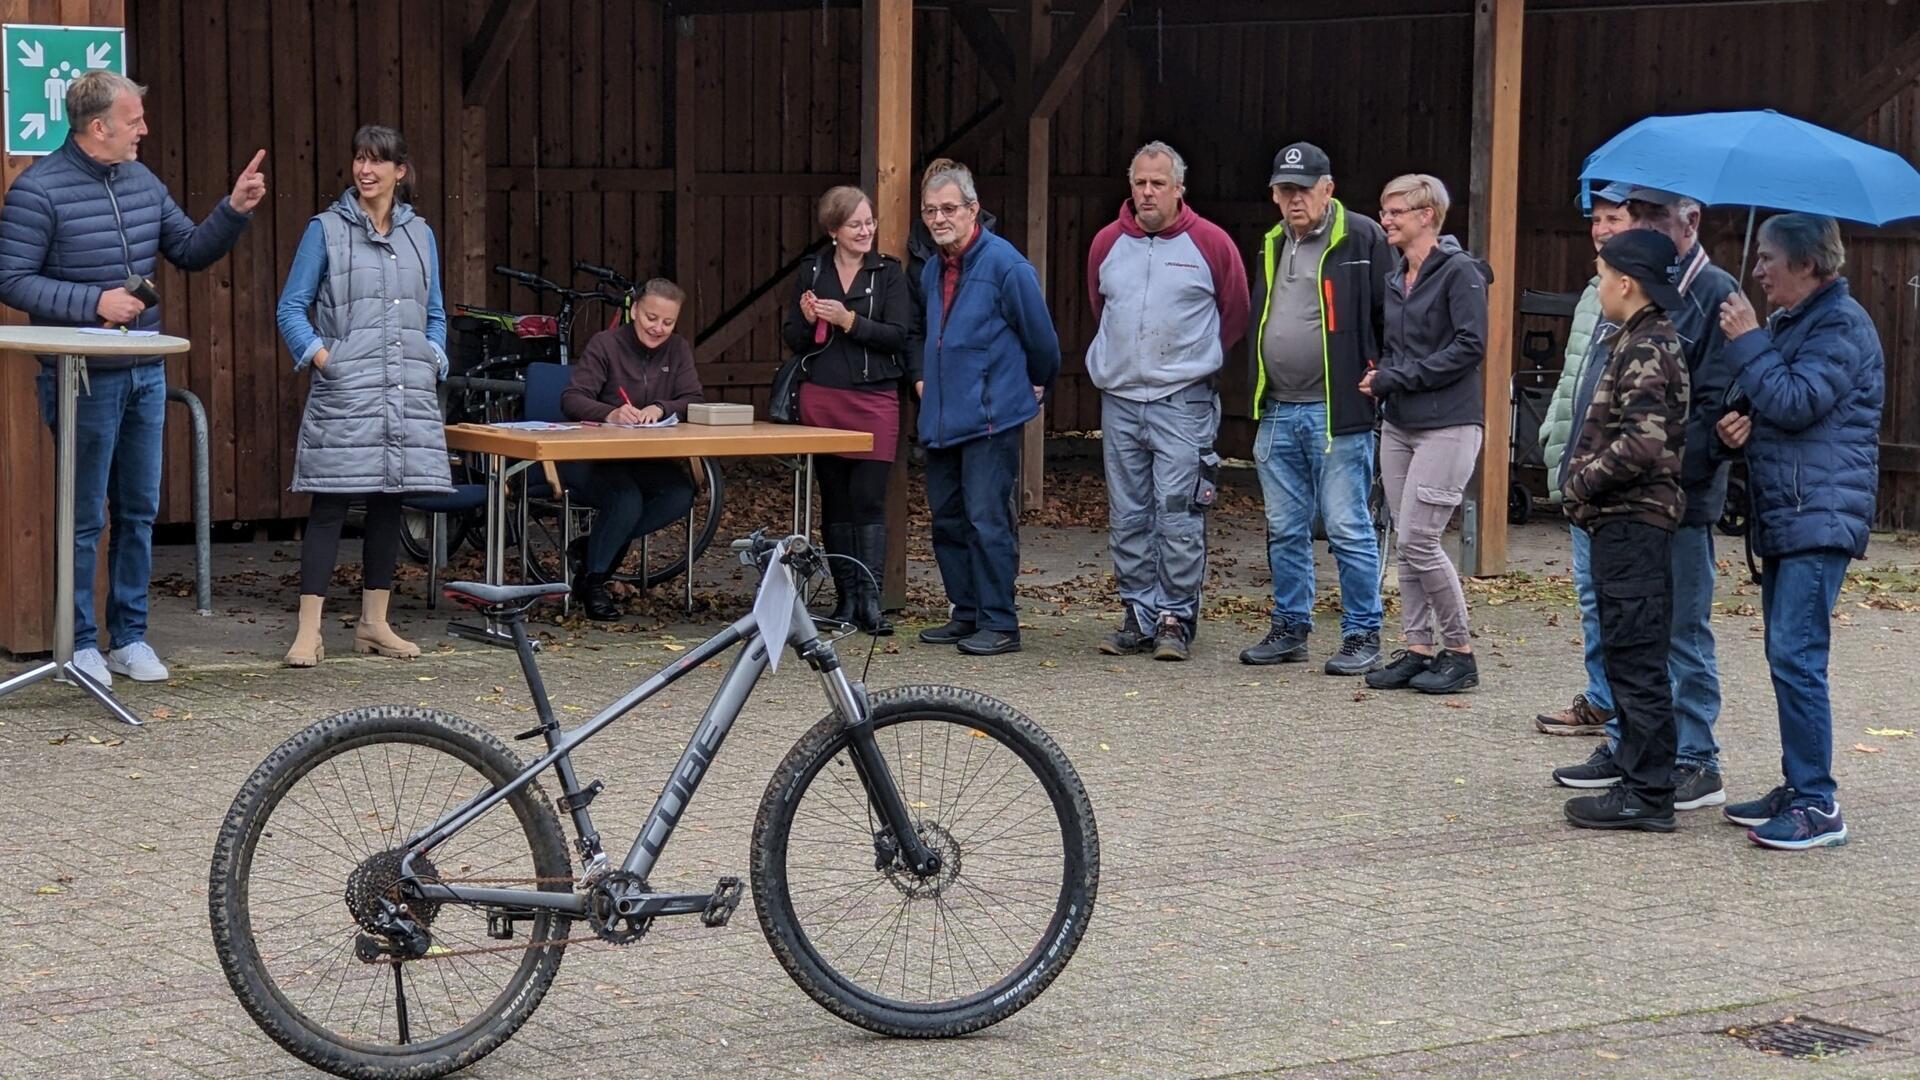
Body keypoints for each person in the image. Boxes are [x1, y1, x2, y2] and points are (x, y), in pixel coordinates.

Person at [0, 70, 263, 686]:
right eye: (134, 121)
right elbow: (10, 280)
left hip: (145, 371)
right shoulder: (38, 191)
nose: (144, 130)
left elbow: (191, 250)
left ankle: (131, 638)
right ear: (99, 127)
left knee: (140, 510)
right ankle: (80, 644)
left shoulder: (142, 180)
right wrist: (95, 301)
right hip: (81, 378)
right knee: (85, 514)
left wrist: (233, 210)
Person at [1552, 188, 1737, 810]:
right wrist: (1565, 453)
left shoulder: (1701, 302)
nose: (1627, 230)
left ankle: (1680, 765)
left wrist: (1582, 480)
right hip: (1614, 510)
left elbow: (1656, 433)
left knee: (1667, 636)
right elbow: (1585, 395)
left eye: (1650, 219)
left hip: (1651, 509)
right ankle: (1632, 753)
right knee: (1624, 638)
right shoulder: (1619, 324)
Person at [1715, 214, 1882, 850]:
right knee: (1786, 654)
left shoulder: (1841, 323)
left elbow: (1795, 401)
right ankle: (1798, 784)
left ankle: (1818, 804)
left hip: (1820, 513)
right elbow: (1781, 409)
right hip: (1792, 509)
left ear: (1807, 265)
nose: (1757, 270)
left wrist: (1750, 342)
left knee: (1798, 655)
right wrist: (1740, 426)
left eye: (1768, 259)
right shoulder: (1795, 322)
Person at [275, 126, 451, 666]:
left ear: (401, 170)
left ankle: (374, 624)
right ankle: (309, 632)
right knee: (329, 504)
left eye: (378, 161)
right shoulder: (324, 230)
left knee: (388, 505)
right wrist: (327, 360)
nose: (365, 169)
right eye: (359, 158)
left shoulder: (421, 235)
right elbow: (290, 309)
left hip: (406, 389)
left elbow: (436, 313)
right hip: (346, 391)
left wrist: (434, 356)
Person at [1085, 141, 1248, 661]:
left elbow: (1235, 312)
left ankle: (1176, 615)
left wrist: (1192, 361)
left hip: (1183, 400)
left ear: (1180, 188)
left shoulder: (1211, 244)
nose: (1148, 192)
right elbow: (1099, 305)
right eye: (1139, 183)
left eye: (1158, 183)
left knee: (1177, 512)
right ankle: (1138, 612)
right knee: (1128, 512)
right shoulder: (1107, 243)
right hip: (1122, 398)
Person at [1237, 141, 1390, 675]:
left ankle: (1362, 632)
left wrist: (1381, 376)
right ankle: (1290, 627)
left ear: (1328, 189)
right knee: (1284, 527)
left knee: (1347, 526)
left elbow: (1389, 314)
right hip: (1278, 406)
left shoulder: (1364, 237)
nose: (1293, 198)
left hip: (1338, 411)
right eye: (1284, 189)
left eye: (1303, 189)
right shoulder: (1273, 241)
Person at [1559, 229, 1691, 833]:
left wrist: (1582, 480)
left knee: (1636, 658)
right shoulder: (1638, 339)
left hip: (1633, 522)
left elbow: (1643, 441)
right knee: (1625, 652)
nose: (1600, 283)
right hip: (1622, 525)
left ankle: (1648, 793)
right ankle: (1639, 779)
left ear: (1626, 283)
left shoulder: (1648, 346)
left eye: (1603, 274)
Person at [914, 159, 1060, 657]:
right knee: (948, 521)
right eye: (930, 210)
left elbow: (1042, 340)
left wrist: (1036, 384)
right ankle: (967, 612)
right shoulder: (933, 268)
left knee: (987, 520)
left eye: (949, 208)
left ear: (973, 209)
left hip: (991, 418)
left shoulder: (1006, 265)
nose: (939, 218)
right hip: (941, 417)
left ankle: (1000, 621)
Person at [1360, 174, 1489, 695]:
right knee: (1404, 539)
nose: (1386, 219)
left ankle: (1460, 652)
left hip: (1450, 424)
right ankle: (1417, 648)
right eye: (1384, 210)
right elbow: (1396, 348)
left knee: (1419, 539)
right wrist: (1382, 377)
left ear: (1427, 215)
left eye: (1396, 211)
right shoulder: (1396, 278)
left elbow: (1470, 345)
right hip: (1400, 423)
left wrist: (1398, 377)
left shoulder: (1460, 273)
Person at [780, 185, 912, 635]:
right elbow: (795, 340)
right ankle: (845, 600)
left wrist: (848, 321)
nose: (866, 230)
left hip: (874, 398)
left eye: (870, 222)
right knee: (834, 501)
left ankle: (871, 602)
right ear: (834, 230)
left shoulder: (889, 274)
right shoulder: (812, 269)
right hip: (823, 397)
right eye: (855, 224)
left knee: (868, 501)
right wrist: (808, 319)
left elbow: (898, 335)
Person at [1535, 182, 1634, 734]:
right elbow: (1574, 376)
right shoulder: (1592, 293)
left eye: (1613, 218)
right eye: (1596, 219)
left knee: (1620, 603)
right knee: (1590, 597)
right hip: (1578, 470)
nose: (1600, 229)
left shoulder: (1644, 299)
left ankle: (1628, 715)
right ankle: (1600, 699)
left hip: (1616, 480)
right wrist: (1555, 432)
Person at [560, 279, 706, 621]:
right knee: (625, 499)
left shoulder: (679, 349)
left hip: (644, 457)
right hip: (594, 459)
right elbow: (572, 399)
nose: (658, 328)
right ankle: (595, 582)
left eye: (668, 323)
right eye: (651, 318)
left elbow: (694, 399)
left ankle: (591, 549)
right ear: (634, 310)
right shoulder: (605, 344)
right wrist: (609, 413)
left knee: (680, 493)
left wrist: (660, 406)